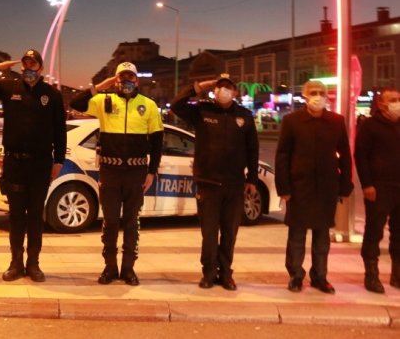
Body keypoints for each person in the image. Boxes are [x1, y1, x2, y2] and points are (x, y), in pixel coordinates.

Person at [0, 49, 66, 282]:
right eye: (25, 64)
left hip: (41, 163)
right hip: (14, 162)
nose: (28, 68)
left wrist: (59, 161)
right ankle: (16, 262)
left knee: (35, 216)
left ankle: (33, 263)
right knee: (15, 216)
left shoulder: (51, 95)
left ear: (40, 68)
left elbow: (60, 131)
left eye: (33, 64)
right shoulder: (10, 88)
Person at [69, 62, 163, 286]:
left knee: (131, 223)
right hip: (110, 171)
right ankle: (110, 267)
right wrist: (102, 86)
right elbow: (75, 102)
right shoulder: (104, 101)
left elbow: (157, 140)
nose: (126, 81)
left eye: (130, 77)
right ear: (116, 80)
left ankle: (128, 269)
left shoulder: (148, 105)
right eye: (122, 77)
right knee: (110, 222)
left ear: (137, 80)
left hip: (136, 172)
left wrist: (152, 171)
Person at [170, 73, 259, 291]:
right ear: (214, 90)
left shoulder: (244, 116)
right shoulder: (202, 110)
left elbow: (252, 150)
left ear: (235, 92)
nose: (223, 90)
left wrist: (252, 179)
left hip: (234, 184)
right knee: (209, 233)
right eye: (220, 87)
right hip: (208, 183)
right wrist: (200, 85)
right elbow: (176, 105)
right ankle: (209, 273)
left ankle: (226, 273)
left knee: (229, 233)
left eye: (228, 87)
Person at [275, 79, 353, 294]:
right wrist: (284, 188)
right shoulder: (292, 121)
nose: (318, 96)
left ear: (327, 96)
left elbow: (345, 156)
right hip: (299, 187)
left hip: (326, 188)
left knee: (322, 237)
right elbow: (282, 156)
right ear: (305, 95)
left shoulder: (336, 121)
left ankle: (320, 277)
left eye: (321, 92)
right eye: (313, 92)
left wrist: (345, 186)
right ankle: (296, 276)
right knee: (297, 236)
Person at [354, 87, 400, 293]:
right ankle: (371, 275)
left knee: (399, 233)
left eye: (399, 99)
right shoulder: (370, 126)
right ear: (381, 104)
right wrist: (367, 184)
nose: (397, 103)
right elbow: (361, 155)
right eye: (393, 100)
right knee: (374, 232)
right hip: (379, 188)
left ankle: (397, 275)